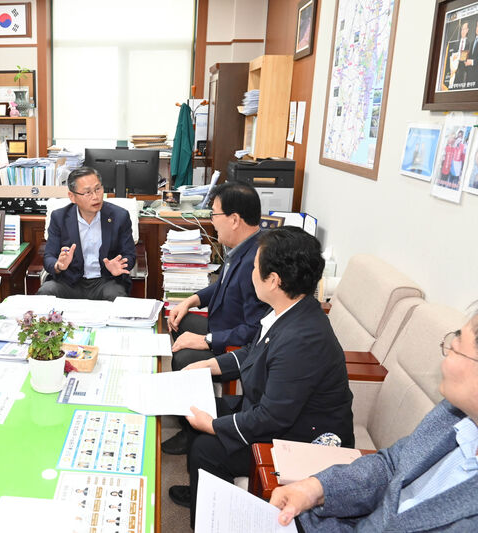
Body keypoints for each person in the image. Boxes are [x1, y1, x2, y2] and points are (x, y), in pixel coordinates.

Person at [167, 227, 354, 528]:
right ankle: (203, 492)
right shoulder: (289, 310)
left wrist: (213, 426)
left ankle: (213, 519)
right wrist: (208, 366)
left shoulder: (303, 340)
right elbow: (253, 352)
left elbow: (272, 418)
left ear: (274, 280)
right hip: (272, 411)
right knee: (197, 406)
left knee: (206, 447)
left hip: (301, 438)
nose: (251, 273)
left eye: (255, 267)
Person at [271, 309, 478, 531]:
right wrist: (316, 489)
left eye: (457, 348)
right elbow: (392, 466)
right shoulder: (452, 415)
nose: (447, 354)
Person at [162, 181, 270, 455]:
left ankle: (193, 431)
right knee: (178, 322)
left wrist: (207, 340)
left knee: (185, 357)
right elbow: (221, 286)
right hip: (222, 324)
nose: (211, 221)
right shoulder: (241, 246)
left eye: (214, 214)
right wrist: (190, 300)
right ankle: (187, 405)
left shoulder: (258, 261)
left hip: (237, 345)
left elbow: (255, 331)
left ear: (234, 220)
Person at [37, 166, 136, 301]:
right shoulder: (59, 218)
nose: (95, 197)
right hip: (69, 282)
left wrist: (120, 265)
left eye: (98, 189)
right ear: (72, 197)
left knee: (116, 296)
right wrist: (59, 265)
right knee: (46, 291)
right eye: (88, 192)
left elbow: (129, 254)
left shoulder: (120, 216)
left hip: (105, 281)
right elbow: (49, 256)